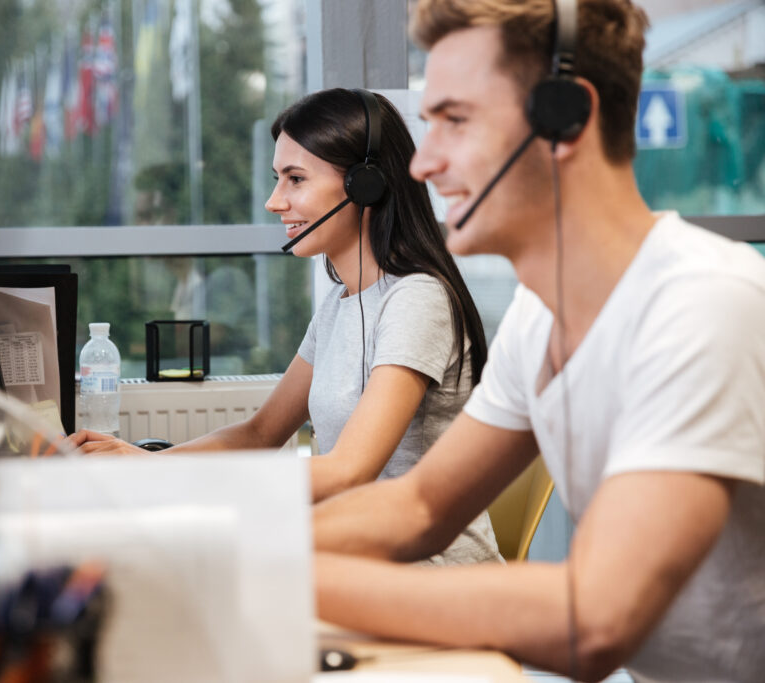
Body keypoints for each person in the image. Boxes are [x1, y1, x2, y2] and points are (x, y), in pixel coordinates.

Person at [313, 1, 765, 681]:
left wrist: (280, 572)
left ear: (565, 118)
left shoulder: (702, 303)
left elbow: (594, 619)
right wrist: (228, 538)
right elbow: (421, 506)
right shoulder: (539, 313)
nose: (423, 164)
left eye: (455, 121)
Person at [71, 88, 500, 566]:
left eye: (295, 179)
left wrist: (165, 478)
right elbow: (260, 433)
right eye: (277, 179)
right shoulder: (339, 304)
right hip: (361, 555)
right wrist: (145, 463)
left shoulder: (416, 300)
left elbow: (348, 471)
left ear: (365, 185)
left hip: (429, 571)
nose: (275, 202)